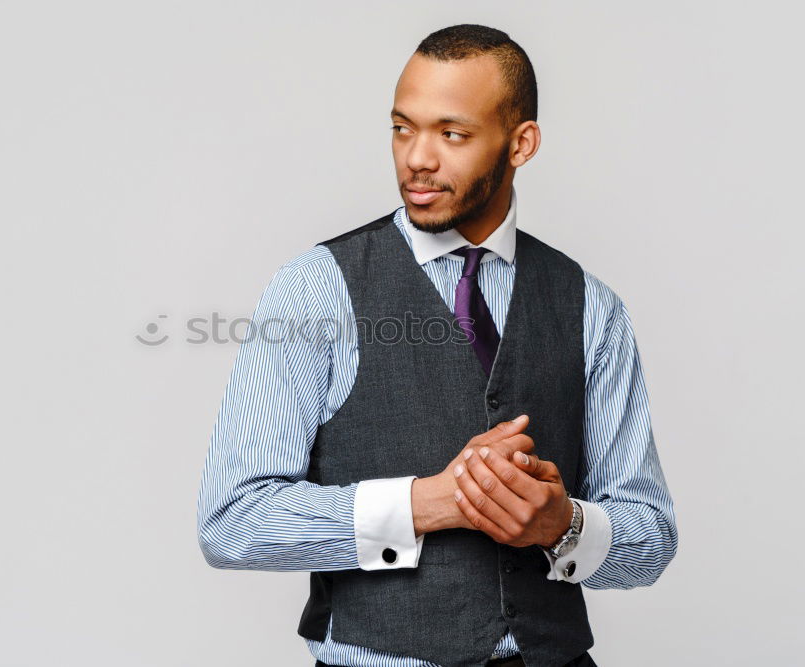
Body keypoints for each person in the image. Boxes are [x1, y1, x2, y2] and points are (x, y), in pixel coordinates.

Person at [197, 23, 677, 667]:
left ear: (521, 143)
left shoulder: (592, 305)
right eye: (402, 128)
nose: (416, 158)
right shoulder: (317, 288)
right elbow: (231, 522)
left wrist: (561, 525)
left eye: (452, 134)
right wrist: (428, 504)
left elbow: (653, 538)